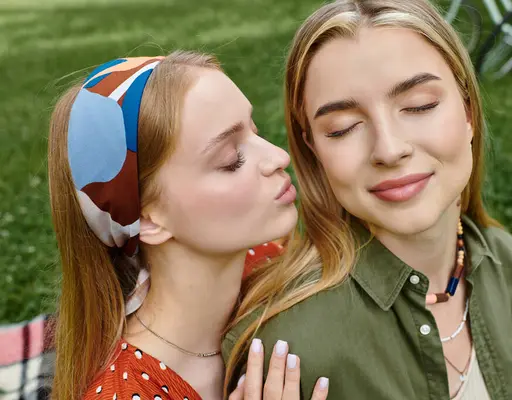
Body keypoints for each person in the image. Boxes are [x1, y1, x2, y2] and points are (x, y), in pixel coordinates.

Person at [222, 1, 512, 399]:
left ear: (469, 111)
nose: (389, 148)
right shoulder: (289, 348)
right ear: (312, 150)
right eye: (343, 128)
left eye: (420, 105)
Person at [48, 51, 329, 400]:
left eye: (254, 131)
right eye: (231, 160)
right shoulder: (124, 393)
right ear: (147, 218)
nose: (278, 157)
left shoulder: (270, 256)